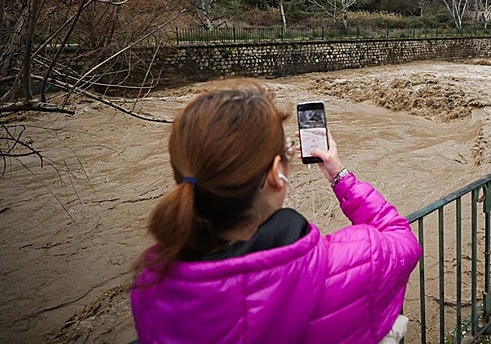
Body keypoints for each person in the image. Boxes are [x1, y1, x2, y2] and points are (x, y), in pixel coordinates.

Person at [130, 84, 422, 343]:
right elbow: (402, 238)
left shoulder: (151, 288)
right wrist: (339, 174)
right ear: (275, 173)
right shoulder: (358, 258)